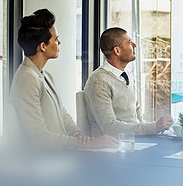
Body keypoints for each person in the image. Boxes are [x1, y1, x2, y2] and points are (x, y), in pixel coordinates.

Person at [10, 8, 118, 149]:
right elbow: (38, 136)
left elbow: (62, 112)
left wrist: (78, 134)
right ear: (43, 46)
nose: (59, 43)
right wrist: (84, 144)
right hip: (46, 159)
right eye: (56, 39)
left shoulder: (43, 75)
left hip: (60, 152)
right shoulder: (26, 79)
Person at [84, 27, 173, 137]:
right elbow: (110, 128)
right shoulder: (98, 81)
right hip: (113, 148)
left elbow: (137, 115)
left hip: (135, 141)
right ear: (117, 51)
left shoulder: (127, 74)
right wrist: (153, 127)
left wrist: (151, 131)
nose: (134, 45)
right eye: (129, 42)